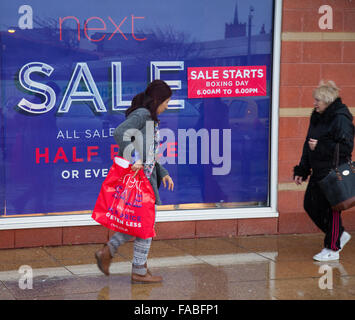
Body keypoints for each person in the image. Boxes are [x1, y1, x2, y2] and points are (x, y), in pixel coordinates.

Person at [95, 80, 174, 283]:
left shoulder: (151, 118)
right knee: (145, 225)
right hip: (139, 182)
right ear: (157, 100)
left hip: (145, 179)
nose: (167, 106)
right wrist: (134, 155)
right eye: (166, 101)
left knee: (138, 224)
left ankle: (109, 252)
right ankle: (138, 270)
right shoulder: (143, 115)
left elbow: (149, 153)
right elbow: (119, 133)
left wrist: (163, 172)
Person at [293, 80, 354, 262]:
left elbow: (346, 147)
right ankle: (340, 235)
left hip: (333, 172)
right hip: (319, 170)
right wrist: (302, 169)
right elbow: (308, 144)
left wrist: (321, 146)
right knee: (310, 205)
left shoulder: (341, 118)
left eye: (318, 100)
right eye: (315, 100)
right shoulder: (317, 116)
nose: (315, 103)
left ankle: (332, 248)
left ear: (327, 101)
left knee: (331, 210)